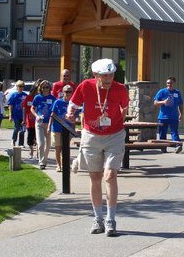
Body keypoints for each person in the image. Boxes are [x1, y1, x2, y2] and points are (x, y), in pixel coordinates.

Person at [66, 58, 129, 237]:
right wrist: (71, 113)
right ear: (96, 75)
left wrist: (116, 123)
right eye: (105, 76)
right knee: (95, 176)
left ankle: (111, 219)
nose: (109, 79)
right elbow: (73, 104)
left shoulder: (120, 89)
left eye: (111, 75)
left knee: (110, 175)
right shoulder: (86, 86)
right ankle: (98, 218)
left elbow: (124, 108)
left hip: (114, 135)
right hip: (91, 135)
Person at [48, 84, 74, 172]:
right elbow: (52, 114)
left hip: (67, 129)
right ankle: (58, 165)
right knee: (58, 148)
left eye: (70, 91)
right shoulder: (57, 102)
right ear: (63, 92)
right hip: (57, 128)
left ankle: (64, 165)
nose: (68, 93)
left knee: (65, 148)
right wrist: (49, 126)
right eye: (66, 91)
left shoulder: (73, 104)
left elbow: (75, 117)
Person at [153, 76, 183, 153]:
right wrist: (163, 102)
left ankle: (177, 146)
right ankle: (163, 147)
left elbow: (180, 104)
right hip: (163, 117)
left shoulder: (177, 92)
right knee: (162, 133)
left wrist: (181, 114)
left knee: (174, 132)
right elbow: (155, 103)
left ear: (174, 83)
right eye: (168, 83)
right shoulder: (162, 92)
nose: (169, 84)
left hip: (174, 116)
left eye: (171, 83)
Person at [31, 80, 56, 169]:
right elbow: (32, 108)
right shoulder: (37, 97)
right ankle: (42, 162)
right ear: (40, 88)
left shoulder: (53, 98)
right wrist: (36, 116)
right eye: (43, 87)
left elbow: (54, 111)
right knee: (41, 143)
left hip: (49, 123)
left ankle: (44, 159)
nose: (45, 89)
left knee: (48, 144)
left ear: (50, 88)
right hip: (39, 123)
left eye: (47, 87)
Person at [22, 79, 43, 159]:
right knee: (30, 138)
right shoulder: (29, 97)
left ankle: (38, 153)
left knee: (39, 138)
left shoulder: (41, 98)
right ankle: (31, 151)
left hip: (39, 122)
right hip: (30, 122)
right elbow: (24, 108)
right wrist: (24, 119)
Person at [8, 80, 27, 147]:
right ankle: (13, 140)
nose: (21, 87)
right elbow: (10, 106)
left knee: (23, 130)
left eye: (22, 86)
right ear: (17, 87)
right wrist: (10, 115)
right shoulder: (14, 95)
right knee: (16, 128)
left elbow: (27, 105)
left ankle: (21, 143)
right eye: (19, 86)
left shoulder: (25, 95)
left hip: (23, 115)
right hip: (16, 115)